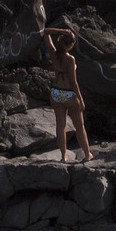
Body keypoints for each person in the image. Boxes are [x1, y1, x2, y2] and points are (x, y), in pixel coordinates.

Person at [42, 26, 90, 163]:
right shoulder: (70, 59)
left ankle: (63, 157)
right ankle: (87, 155)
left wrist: (61, 31)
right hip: (69, 94)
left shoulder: (53, 53)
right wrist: (81, 99)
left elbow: (45, 32)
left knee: (60, 126)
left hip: (56, 93)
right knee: (79, 126)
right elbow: (74, 82)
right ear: (70, 45)